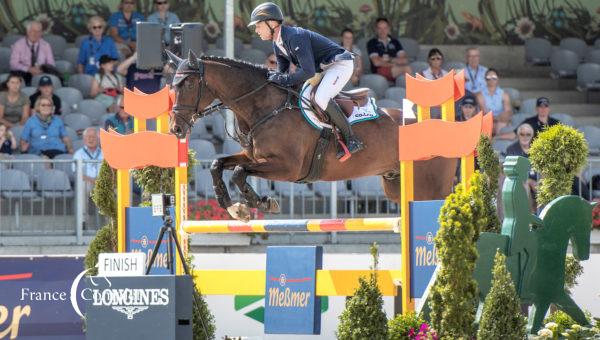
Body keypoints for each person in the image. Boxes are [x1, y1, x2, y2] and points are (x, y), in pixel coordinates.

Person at [248, 2, 364, 160]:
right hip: (323, 69)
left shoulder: (295, 37)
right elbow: (282, 73)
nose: (256, 30)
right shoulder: (278, 43)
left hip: (339, 65)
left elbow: (307, 71)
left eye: (258, 25)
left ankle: (352, 139)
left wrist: (283, 79)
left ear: (272, 23)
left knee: (320, 98)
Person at [9, 21, 56, 85]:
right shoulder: (18, 45)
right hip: (24, 73)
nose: (37, 34)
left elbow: (51, 63)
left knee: (52, 74)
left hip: (41, 73)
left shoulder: (46, 45)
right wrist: (28, 69)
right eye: (34, 31)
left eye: (39, 31)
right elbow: (13, 64)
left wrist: (41, 70)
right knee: (15, 75)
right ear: (28, 32)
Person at [504, 123, 537, 211]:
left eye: (528, 134)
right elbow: (511, 171)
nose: (525, 137)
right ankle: (526, 216)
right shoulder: (512, 149)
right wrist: (528, 180)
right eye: (522, 134)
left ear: (532, 136)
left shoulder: (537, 149)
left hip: (537, 181)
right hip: (519, 181)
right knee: (525, 186)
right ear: (518, 135)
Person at [366, 18, 410, 82]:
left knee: (406, 74)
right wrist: (394, 63)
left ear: (389, 29)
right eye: (379, 28)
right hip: (379, 70)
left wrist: (389, 59)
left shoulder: (395, 42)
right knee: (407, 69)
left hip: (396, 69)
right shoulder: (372, 43)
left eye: (385, 28)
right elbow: (376, 63)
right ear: (376, 30)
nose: (382, 31)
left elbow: (405, 60)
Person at [476, 68, 512, 133]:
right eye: (488, 77)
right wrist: (498, 118)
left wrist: (500, 118)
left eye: (494, 77)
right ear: (485, 79)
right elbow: (484, 113)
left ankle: (497, 141)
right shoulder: (480, 95)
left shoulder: (504, 94)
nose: (491, 79)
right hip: (486, 122)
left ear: (498, 78)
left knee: (502, 124)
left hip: (500, 122)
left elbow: (508, 112)